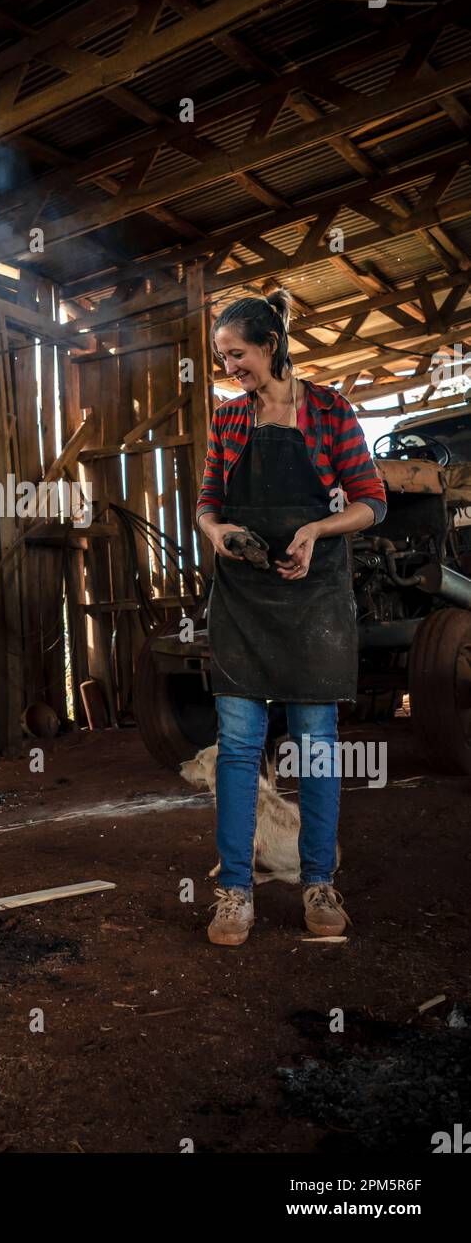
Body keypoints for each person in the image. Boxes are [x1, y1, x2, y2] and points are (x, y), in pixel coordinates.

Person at [195, 289, 387, 946]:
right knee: (241, 751)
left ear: (270, 345)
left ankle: (318, 883)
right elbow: (207, 504)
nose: (229, 369)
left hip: (315, 601)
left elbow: (372, 501)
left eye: (237, 355)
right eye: (222, 359)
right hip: (245, 603)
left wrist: (316, 528)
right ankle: (234, 894)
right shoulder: (228, 421)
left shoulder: (330, 411)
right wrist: (220, 535)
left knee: (317, 750)